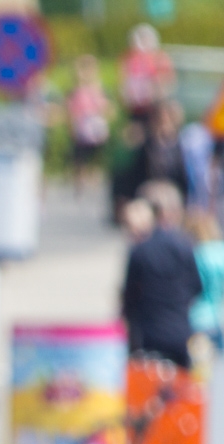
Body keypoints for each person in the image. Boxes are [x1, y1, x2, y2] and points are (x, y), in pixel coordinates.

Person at [121, 181, 203, 369]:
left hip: (147, 336)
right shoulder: (185, 246)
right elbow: (197, 286)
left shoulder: (140, 250)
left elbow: (129, 296)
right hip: (181, 332)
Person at [66, 55, 114, 195]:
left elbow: (107, 108)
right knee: (79, 159)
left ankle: (94, 180)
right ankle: (80, 184)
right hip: (81, 127)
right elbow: (71, 109)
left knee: (97, 157)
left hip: (96, 128)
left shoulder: (99, 89)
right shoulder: (76, 89)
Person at [185, 211, 224, 353]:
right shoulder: (221, 252)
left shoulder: (198, 254)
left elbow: (194, 286)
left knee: (200, 368)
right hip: (218, 316)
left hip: (198, 316)